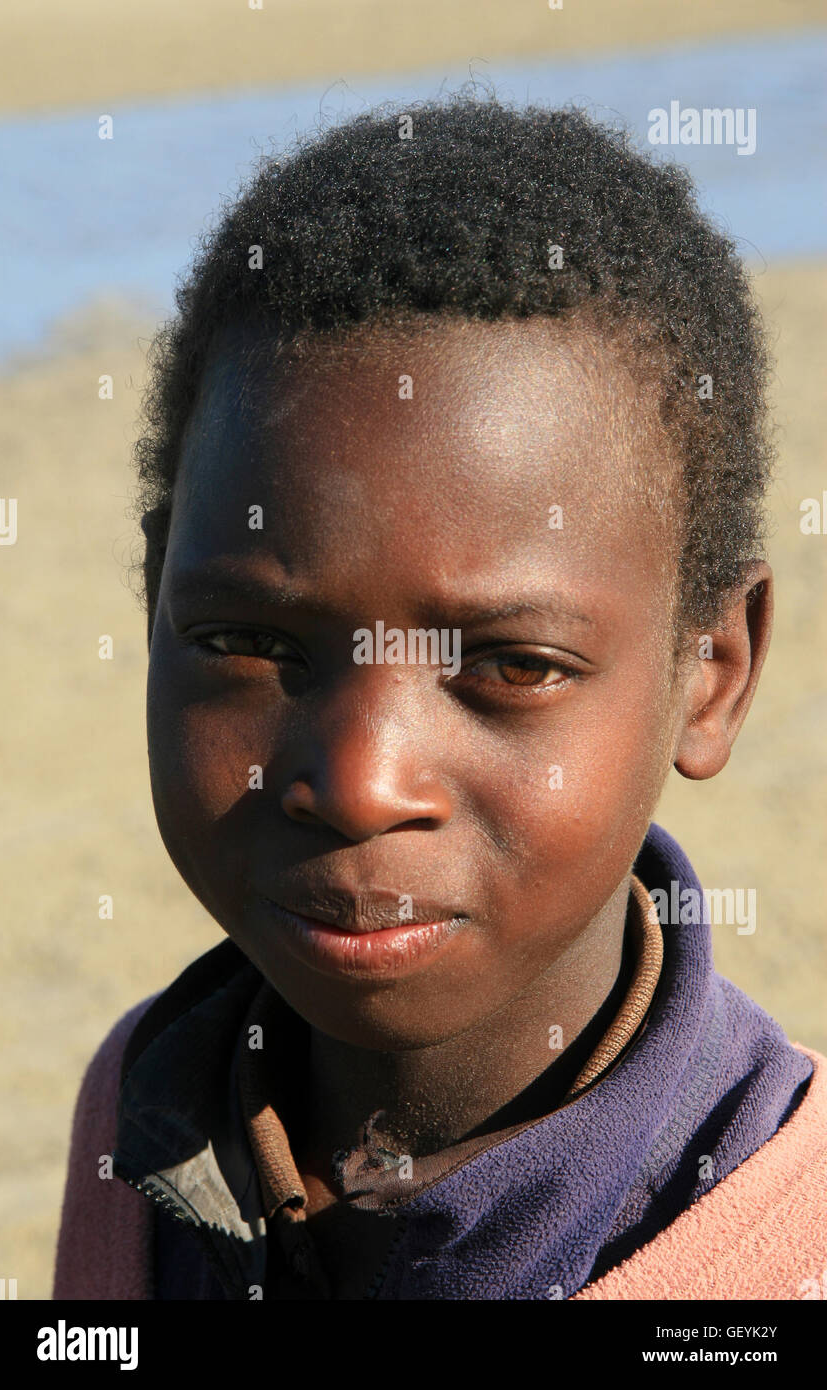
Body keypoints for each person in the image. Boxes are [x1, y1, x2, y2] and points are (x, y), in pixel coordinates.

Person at [53, 97, 827, 1301]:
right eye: (252, 641)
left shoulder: (786, 1249)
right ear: (157, 597)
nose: (361, 781)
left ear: (711, 671)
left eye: (513, 666)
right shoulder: (144, 1115)